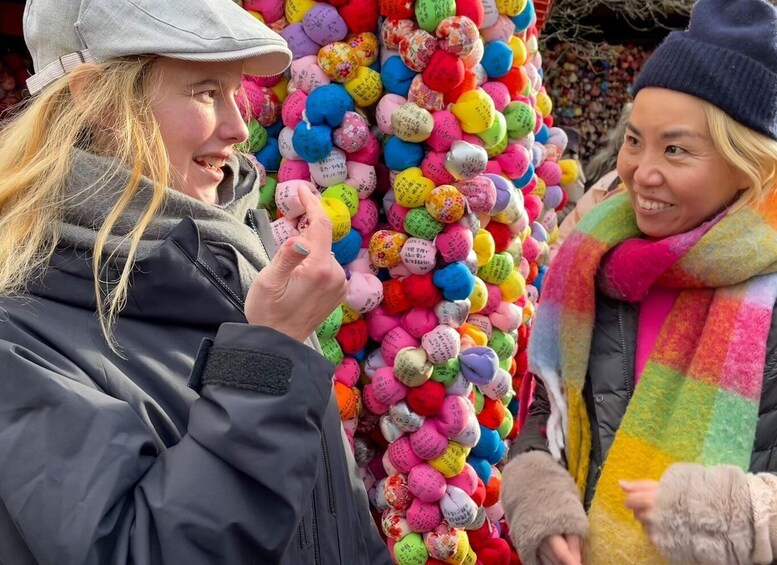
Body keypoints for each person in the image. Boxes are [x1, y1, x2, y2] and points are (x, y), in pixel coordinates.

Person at [0, 0, 390, 563]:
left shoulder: (234, 255)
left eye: (236, 93)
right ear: (96, 101)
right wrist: (268, 358)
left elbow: (334, 517)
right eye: (206, 92)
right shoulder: (18, 331)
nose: (238, 128)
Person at [500, 0, 777, 563]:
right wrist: (540, 494)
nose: (639, 172)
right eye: (634, 140)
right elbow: (547, 413)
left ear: (747, 164)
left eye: (676, 148)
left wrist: (729, 516)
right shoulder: (595, 261)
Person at [552, 104, 632, 251]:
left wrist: (549, 215)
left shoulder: (573, 168)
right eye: (633, 140)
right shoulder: (608, 178)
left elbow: (572, 205)